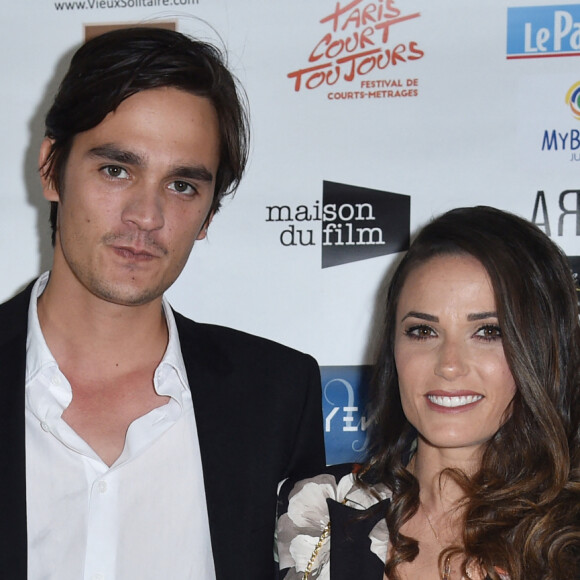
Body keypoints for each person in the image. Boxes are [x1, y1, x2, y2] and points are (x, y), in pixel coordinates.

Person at [0, 27, 325, 580]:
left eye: (182, 186)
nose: (145, 216)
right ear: (52, 167)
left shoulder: (275, 394)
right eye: (116, 170)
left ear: (209, 216)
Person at [277, 206, 580, 580]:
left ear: (541, 349)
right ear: (393, 350)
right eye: (423, 331)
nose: (449, 365)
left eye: (488, 332)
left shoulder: (567, 537)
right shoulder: (317, 507)